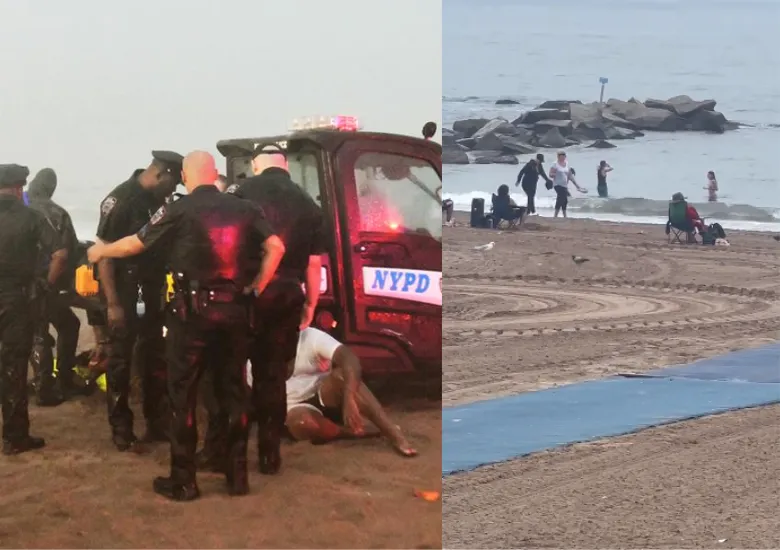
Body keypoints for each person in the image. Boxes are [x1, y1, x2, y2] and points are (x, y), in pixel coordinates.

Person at [87, 151, 286, 500]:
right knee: (234, 392)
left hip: (190, 315)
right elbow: (276, 247)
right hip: (236, 312)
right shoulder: (245, 208)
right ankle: (237, 476)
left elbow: (136, 243)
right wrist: (257, 285)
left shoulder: (177, 209)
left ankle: (184, 480)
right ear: (214, 174)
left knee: (183, 396)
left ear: (186, 174)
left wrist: (101, 252)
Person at [224, 143, 328, 475]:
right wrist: (311, 302)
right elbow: (314, 264)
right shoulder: (308, 203)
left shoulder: (239, 193)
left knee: (237, 374)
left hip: (249, 293)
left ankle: (236, 457)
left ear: (256, 165)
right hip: (288, 295)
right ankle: (270, 456)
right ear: (286, 166)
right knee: (273, 377)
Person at [95, 150, 183, 452]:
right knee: (120, 360)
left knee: (155, 356)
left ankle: (156, 422)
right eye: (172, 184)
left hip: (153, 286)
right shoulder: (119, 200)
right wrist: (113, 303)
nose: (173, 191)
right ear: (161, 174)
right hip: (124, 287)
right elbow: (104, 255)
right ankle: (121, 427)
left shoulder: (158, 201)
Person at [0, 164, 68, 455]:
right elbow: (61, 253)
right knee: (14, 365)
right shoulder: (31, 217)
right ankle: (15, 437)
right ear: (19, 189)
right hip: (17, 298)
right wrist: (45, 285)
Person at [278, 327, 417, 457]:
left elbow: (349, 358)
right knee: (303, 424)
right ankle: (356, 431)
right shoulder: (259, 352)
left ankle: (392, 432)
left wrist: (349, 398)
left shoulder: (310, 335)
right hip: (293, 405)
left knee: (343, 375)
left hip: (324, 390)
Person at [26, 168, 88, 405]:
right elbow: (68, 251)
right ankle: (51, 384)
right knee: (49, 331)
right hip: (49, 283)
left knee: (42, 330)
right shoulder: (58, 213)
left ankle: (53, 380)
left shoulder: (22, 211)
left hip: (25, 282)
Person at [549, 151, 586, 218]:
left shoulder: (567, 164)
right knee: (560, 198)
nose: (563, 157)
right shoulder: (555, 164)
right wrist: (555, 174)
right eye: (561, 156)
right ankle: (555, 215)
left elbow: (570, 176)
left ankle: (564, 215)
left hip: (565, 185)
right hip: (557, 184)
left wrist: (577, 186)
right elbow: (550, 174)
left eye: (564, 156)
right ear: (558, 156)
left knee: (565, 200)